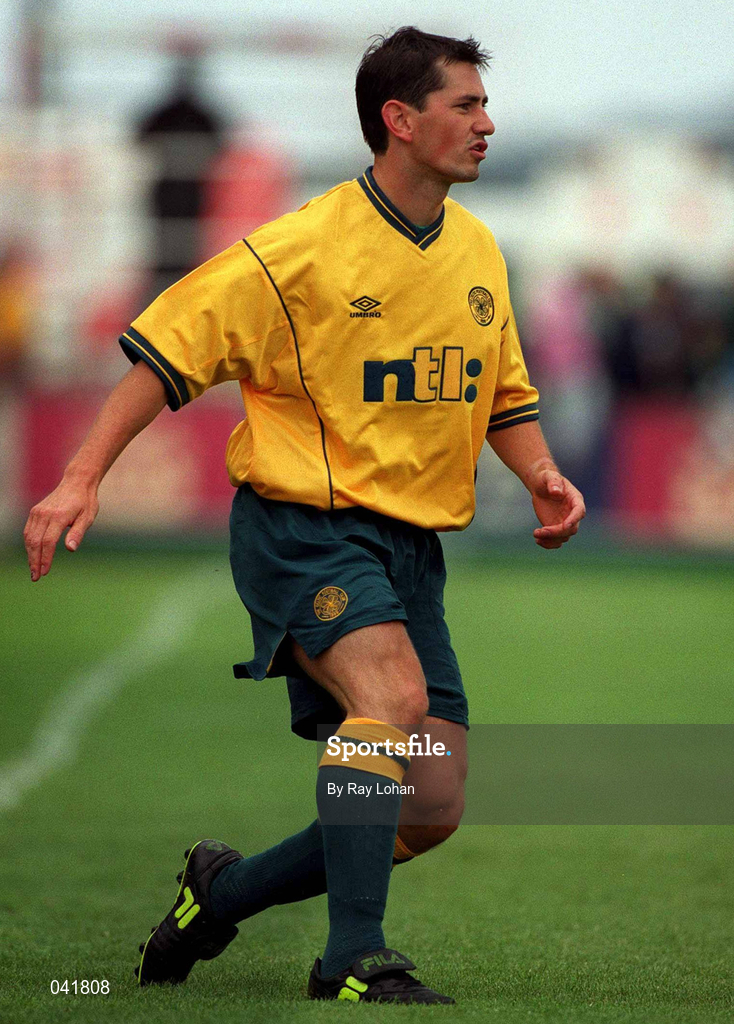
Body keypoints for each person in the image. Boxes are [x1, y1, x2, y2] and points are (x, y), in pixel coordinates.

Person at [23, 27, 585, 1005]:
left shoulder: (478, 249)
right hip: (306, 529)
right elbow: (161, 358)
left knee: (430, 806)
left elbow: (502, 393)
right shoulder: (297, 251)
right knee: (390, 704)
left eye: (484, 106)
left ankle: (220, 893)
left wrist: (539, 472)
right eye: (465, 105)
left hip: (410, 549)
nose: (486, 123)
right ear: (397, 121)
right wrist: (79, 478)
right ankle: (352, 959)